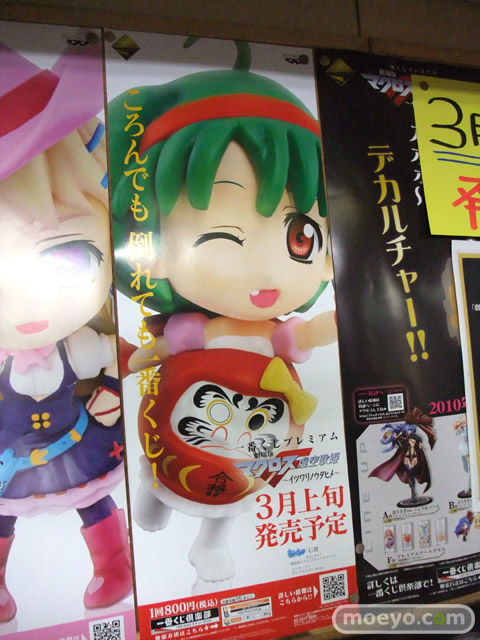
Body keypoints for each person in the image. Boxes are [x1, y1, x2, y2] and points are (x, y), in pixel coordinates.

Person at [109, 39, 335, 588]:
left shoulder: (280, 338)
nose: (266, 271)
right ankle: (153, 495)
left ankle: (209, 542)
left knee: (238, 488)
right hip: (182, 423)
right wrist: (121, 362)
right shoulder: (191, 329)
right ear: (154, 244)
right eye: (222, 236)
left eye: (301, 238)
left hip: (255, 435)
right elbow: (151, 355)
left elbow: (319, 329)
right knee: (163, 457)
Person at [0, 38, 131, 621]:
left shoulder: (76, 345)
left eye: (71, 256)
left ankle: (115, 563)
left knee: (94, 499)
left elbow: (121, 354)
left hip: (75, 445)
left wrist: (122, 382)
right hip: (11, 458)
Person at [369, 408, 436, 508]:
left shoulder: (416, 437)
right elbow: (398, 443)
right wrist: (397, 438)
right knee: (410, 476)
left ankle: (414, 491)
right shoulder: (403, 439)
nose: (409, 432)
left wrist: (419, 445)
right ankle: (413, 493)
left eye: (410, 431)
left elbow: (420, 445)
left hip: (415, 458)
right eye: (407, 431)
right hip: (407, 459)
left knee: (415, 473)